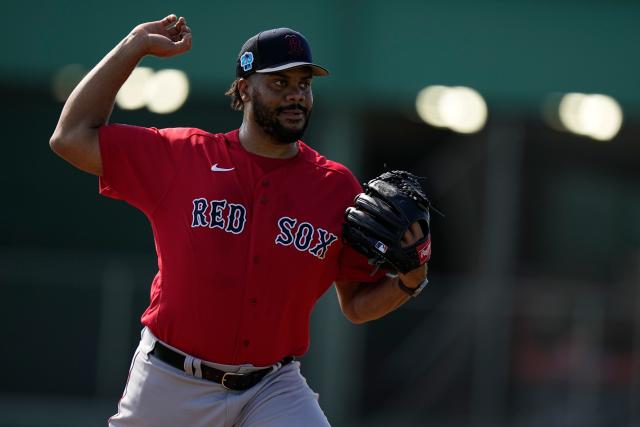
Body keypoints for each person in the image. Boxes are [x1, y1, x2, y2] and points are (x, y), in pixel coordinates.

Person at [50, 14, 428, 427]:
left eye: (304, 84)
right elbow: (70, 137)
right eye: (279, 83)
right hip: (172, 380)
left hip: (271, 387)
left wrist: (412, 276)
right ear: (245, 89)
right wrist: (132, 47)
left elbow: (356, 306)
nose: (296, 95)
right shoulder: (185, 156)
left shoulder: (336, 187)